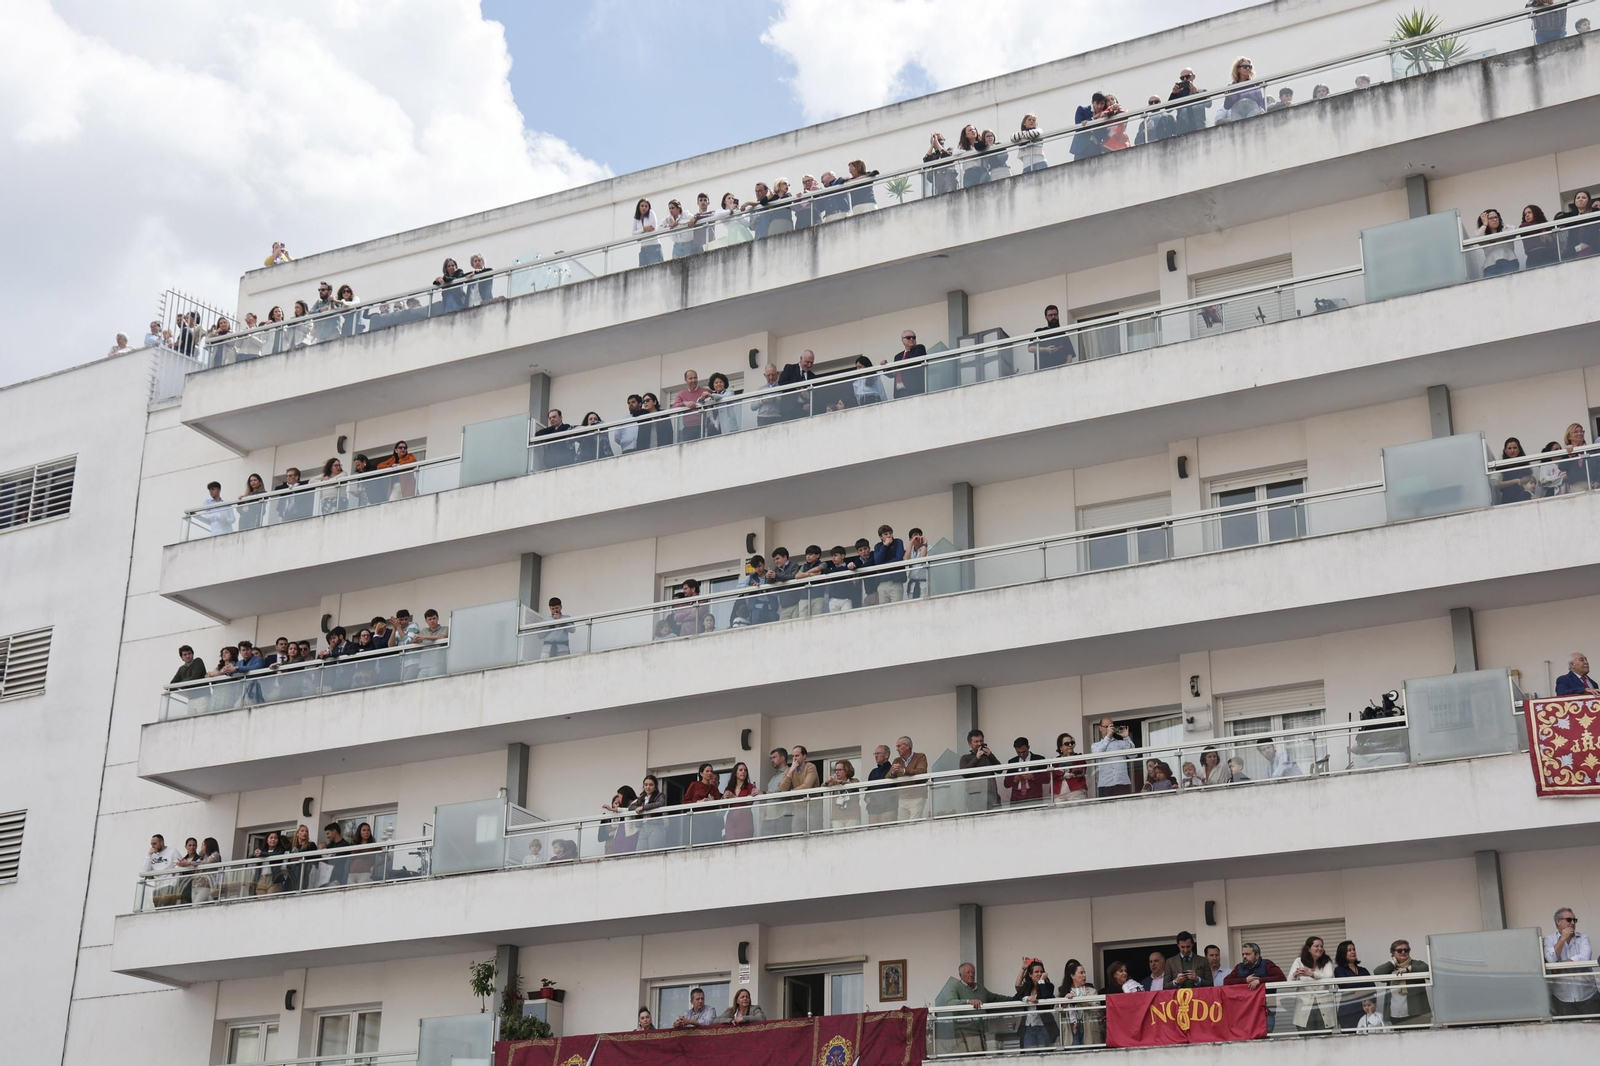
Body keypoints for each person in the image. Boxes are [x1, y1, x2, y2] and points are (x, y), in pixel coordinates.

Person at [936, 963, 1008, 1053]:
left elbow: (996, 998)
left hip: (981, 1031)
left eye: (973, 972)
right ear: (960, 975)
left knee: (981, 1058)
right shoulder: (955, 987)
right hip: (965, 1032)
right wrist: (968, 1001)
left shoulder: (980, 988)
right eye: (968, 972)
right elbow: (950, 1003)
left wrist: (1018, 999)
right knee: (971, 1059)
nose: (971, 975)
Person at [1543, 907, 1599, 1014]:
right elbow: (1550, 959)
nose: (1572, 923)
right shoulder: (1549, 940)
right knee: (1568, 1028)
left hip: (1588, 994)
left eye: (1574, 920)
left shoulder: (1583, 938)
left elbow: (1584, 958)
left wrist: (1559, 966)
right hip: (1562, 997)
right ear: (1558, 921)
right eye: (1569, 920)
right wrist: (1562, 939)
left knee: (1594, 1028)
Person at [1224, 942, 1287, 1033]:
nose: (1244, 957)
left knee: (1265, 1037)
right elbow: (1226, 982)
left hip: (1265, 1011)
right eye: (1243, 954)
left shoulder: (1267, 964)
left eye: (1248, 954)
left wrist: (1260, 981)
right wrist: (1245, 981)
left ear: (1257, 955)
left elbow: (1281, 978)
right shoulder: (1239, 967)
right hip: (1246, 1012)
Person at [1372, 938, 1431, 1027]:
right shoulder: (1390, 968)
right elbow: (1377, 972)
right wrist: (1392, 963)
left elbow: (1427, 968)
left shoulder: (1416, 964)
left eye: (1406, 950)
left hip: (1417, 1014)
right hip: (1396, 1014)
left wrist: (1408, 969)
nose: (1403, 952)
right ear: (1393, 953)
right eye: (1399, 950)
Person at [1286, 936, 1337, 1032]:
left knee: (1325, 1040)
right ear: (1309, 949)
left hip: (1324, 1006)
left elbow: (1329, 976)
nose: (1320, 949)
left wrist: (1311, 974)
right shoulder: (1299, 961)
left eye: (1321, 946)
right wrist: (1295, 975)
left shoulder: (1326, 961)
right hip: (1304, 1007)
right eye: (1316, 946)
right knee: (1307, 1040)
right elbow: (1289, 982)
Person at [1012, 959, 1059, 1049]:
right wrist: (1027, 998)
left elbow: (1045, 995)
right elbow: (1015, 997)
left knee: (1044, 1055)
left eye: (1041, 971)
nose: (1039, 974)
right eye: (1036, 972)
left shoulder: (1049, 986)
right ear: (1030, 975)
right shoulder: (1026, 987)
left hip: (1044, 1026)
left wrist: (1041, 981)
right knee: (1030, 1056)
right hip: (1028, 1027)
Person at [1333, 939, 1373, 1032]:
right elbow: (1347, 986)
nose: (1353, 952)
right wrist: (1363, 985)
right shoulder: (1339, 970)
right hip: (1348, 1010)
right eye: (1349, 950)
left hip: (1365, 1009)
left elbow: (1372, 987)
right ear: (1343, 953)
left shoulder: (1363, 970)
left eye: (1354, 949)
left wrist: (1358, 986)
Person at [959, 728, 1003, 811]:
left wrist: (990, 755)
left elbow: (999, 770)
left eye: (981, 741)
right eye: (976, 742)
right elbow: (964, 773)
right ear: (970, 744)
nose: (979, 744)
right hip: (975, 796)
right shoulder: (965, 758)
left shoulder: (988, 756)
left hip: (991, 793)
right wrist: (976, 758)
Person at [781, 744, 821, 832]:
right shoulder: (789, 770)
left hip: (813, 806)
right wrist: (790, 771)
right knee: (797, 833)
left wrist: (792, 791)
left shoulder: (810, 767)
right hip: (798, 807)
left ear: (804, 756)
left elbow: (807, 785)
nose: (794, 758)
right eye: (793, 756)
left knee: (814, 832)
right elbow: (783, 788)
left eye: (797, 755)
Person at [1091, 718, 1135, 796]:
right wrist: (1107, 737)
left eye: (1111, 726)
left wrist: (1126, 737)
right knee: (1106, 808)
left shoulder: (1121, 743)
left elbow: (1133, 755)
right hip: (1105, 784)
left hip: (1122, 782)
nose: (1109, 729)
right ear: (1100, 728)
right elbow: (1097, 754)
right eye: (1107, 726)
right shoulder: (1096, 745)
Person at [683, 762, 724, 844]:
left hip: (710, 821)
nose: (710, 773)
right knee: (698, 842)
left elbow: (718, 806)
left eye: (711, 771)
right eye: (707, 771)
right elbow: (685, 802)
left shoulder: (714, 788)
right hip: (696, 820)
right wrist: (698, 802)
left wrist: (712, 802)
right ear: (701, 773)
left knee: (710, 843)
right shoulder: (694, 785)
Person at [1059, 960, 1097, 1046]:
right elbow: (1058, 1011)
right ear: (1072, 975)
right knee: (1073, 1053)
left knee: (1088, 1053)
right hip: (1071, 1028)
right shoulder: (1064, 991)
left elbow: (1097, 1010)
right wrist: (1065, 1001)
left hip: (1087, 1027)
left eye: (1084, 972)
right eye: (1081, 973)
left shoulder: (1092, 991)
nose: (1084, 975)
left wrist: (1083, 1002)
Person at [1218, 57, 1265, 122]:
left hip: (1252, 108)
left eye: (1249, 67)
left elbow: (1260, 100)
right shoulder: (1232, 86)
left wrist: (1262, 110)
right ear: (1238, 69)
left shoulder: (1254, 84)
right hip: (1237, 110)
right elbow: (1227, 106)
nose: (1248, 68)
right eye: (1245, 66)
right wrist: (1228, 97)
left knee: (1251, 125)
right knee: (1238, 128)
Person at [1475, 209, 1520, 277]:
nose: (1495, 219)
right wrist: (1485, 223)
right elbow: (1477, 237)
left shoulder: (1505, 230)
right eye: (1491, 218)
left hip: (1509, 261)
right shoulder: (1484, 237)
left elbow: (1515, 230)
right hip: (1490, 265)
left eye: (1496, 217)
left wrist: (1505, 232)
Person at [1556, 190, 1598, 259]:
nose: (1580, 199)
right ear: (1575, 201)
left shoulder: (1595, 213)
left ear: (1589, 201)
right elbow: (1557, 219)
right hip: (1575, 255)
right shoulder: (1572, 216)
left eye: (1583, 198)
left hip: (1594, 252)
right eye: (1578, 198)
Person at [671, 370, 712, 441]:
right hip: (688, 428)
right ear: (686, 380)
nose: (693, 380)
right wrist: (684, 403)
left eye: (695, 378)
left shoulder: (705, 391)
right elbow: (674, 407)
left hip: (704, 425)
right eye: (690, 378)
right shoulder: (681, 394)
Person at [1031, 305, 1075, 370]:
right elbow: (1030, 348)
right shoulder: (1039, 332)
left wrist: (1065, 367)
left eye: (1055, 314)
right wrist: (1046, 349)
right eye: (1050, 315)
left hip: (1060, 371)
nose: (1053, 317)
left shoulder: (1063, 334)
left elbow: (1069, 354)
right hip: (1042, 372)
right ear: (1046, 318)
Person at [1005, 737, 1047, 805]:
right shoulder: (1012, 762)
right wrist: (1015, 779)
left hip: (1035, 798)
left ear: (1028, 747)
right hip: (1016, 800)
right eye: (1018, 752)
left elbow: (1047, 779)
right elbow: (1006, 784)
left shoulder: (1039, 759)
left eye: (1024, 752)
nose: (1021, 755)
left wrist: (1033, 777)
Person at [722, 761, 758, 840]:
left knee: (744, 842)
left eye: (745, 770)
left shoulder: (750, 786)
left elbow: (749, 802)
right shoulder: (729, 788)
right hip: (731, 818)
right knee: (731, 841)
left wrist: (734, 797)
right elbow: (723, 806)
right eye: (741, 770)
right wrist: (723, 798)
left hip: (744, 817)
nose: (743, 772)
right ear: (735, 773)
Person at [631, 775, 668, 850]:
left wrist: (643, 807)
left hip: (655, 826)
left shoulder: (660, 796)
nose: (648, 787)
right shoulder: (641, 798)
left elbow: (660, 803)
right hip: (643, 827)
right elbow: (630, 808)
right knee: (640, 852)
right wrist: (640, 808)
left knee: (654, 851)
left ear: (656, 786)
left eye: (651, 785)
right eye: (646, 785)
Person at [871, 525, 906, 602]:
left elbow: (899, 559)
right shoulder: (878, 546)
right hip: (882, 582)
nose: (889, 535)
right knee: (884, 610)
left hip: (896, 581)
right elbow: (878, 561)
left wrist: (883, 566)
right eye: (886, 534)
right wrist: (885, 546)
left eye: (890, 533)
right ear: (881, 536)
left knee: (897, 607)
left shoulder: (898, 542)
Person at [864, 744, 897, 824]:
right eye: (875, 754)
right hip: (873, 810)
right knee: (873, 835)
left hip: (888, 809)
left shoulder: (892, 770)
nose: (876, 756)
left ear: (886, 755)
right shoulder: (873, 772)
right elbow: (868, 789)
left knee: (888, 834)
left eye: (878, 753)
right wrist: (867, 797)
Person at [892, 329, 928, 399]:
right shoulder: (898, 356)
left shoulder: (919, 348)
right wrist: (885, 366)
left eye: (913, 337)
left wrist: (897, 366)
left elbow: (912, 361)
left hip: (914, 389)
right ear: (903, 341)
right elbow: (891, 373)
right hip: (899, 392)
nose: (911, 339)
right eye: (908, 338)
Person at [826, 758, 862, 826]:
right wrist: (827, 782)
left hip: (852, 816)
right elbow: (822, 787)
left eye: (839, 770)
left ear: (846, 771)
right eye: (835, 770)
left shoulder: (854, 781)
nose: (837, 772)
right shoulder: (834, 783)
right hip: (837, 817)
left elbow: (854, 786)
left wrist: (839, 782)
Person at [1051, 733, 1088, 799]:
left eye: (1072, 743)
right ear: (1060, 747)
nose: (1070, 745)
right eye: (1067, 744)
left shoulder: (1079, 757)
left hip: (1076, 790)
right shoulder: (1055, 760)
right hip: (1059, 793)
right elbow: (1050, 774)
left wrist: (1061, 773)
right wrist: (1063, 774)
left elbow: (1080, 770)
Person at [633, 198, 661, 266]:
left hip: (654, 247)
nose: (644, 208)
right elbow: (633, 234)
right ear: (638, 207)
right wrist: (644, 229)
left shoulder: (651, 213)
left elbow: (653, 228)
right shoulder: (637, 218)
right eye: (642, 206)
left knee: (655, 269)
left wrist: (639, 233)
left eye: (646, 206)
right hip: (643, 248)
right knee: (643, 272)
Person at [905, 528, 931, 600]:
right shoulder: (910, 550)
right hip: (912, 586)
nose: (918, 537)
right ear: (910, 539)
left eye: (920, 535)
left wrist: (924, 544)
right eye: (915, 535)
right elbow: (905, 560)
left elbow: (922, 558)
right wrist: (911, 543)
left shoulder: (928, 548)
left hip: (923, 584)